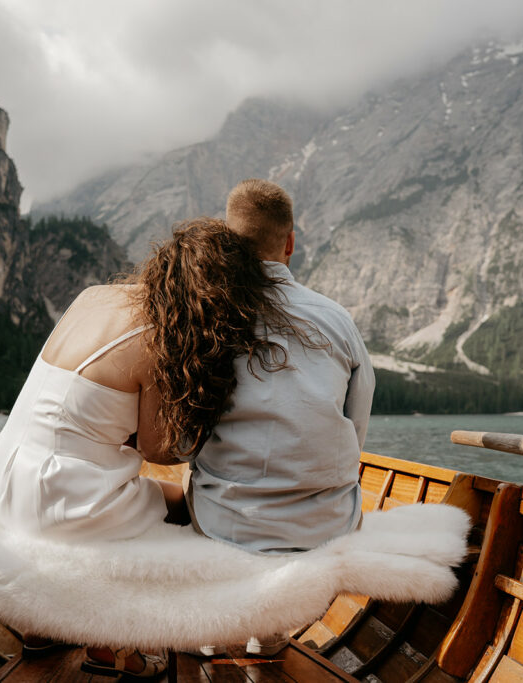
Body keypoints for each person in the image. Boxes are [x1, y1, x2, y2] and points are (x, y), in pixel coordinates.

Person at [0, 217, 302, 677]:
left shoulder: (91, 296)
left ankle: (42, 628)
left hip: (5, 474)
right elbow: (159, 449)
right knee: (188, 508)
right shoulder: (159, 339)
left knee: (137, 492)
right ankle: (120, 639)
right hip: (63, 497)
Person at [185, 178, 375, 655]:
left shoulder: (208, 318)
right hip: (324, 524)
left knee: (190, 486)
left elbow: (186, 438)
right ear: (290, 242)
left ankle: (212, 626)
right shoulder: (337, 319)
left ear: (226, 241)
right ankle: (268, 634)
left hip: (224, 522)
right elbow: (356, 429)